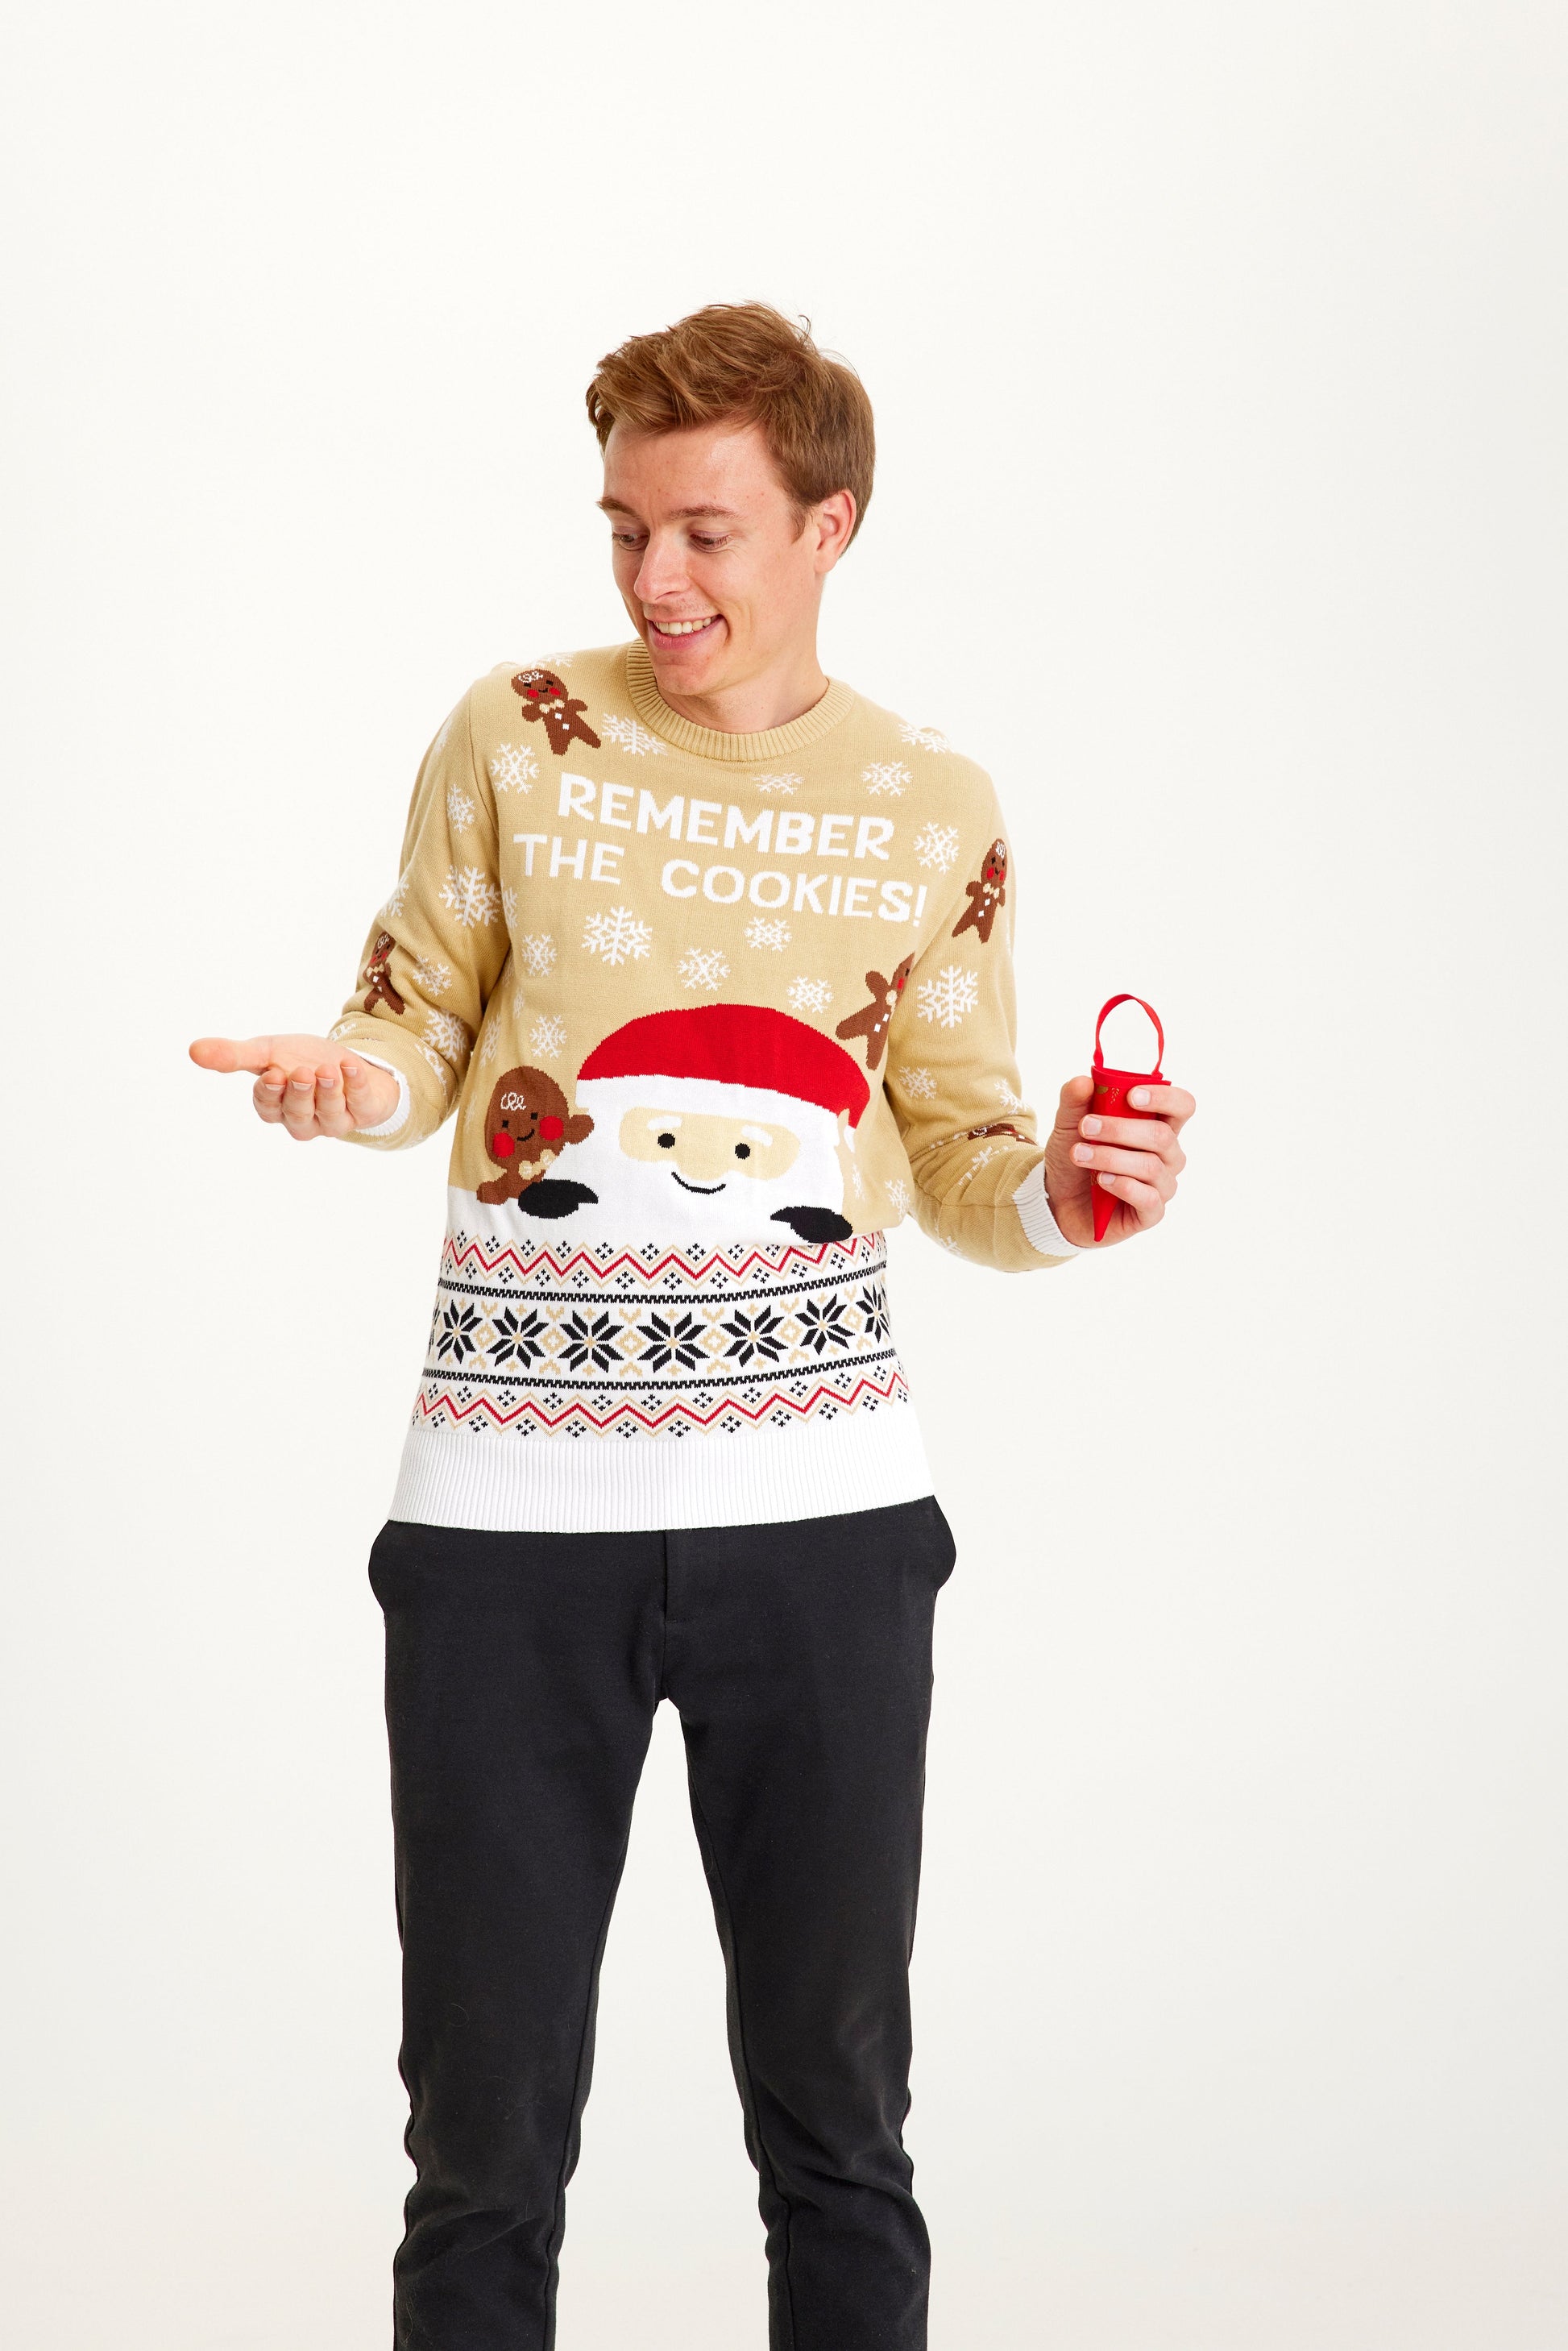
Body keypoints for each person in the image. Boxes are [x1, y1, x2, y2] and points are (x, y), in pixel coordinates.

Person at [191, 301, 1196, 2350]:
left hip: (822, 1527)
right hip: (502, 1529)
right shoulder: (513, 734)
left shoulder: (929, 801)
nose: (655, 577)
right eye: (625, 526)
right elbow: (413, 1026)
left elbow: (961, 1149)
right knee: (482, 2145)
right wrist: (349, 1084)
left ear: (831, 525)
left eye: (707, 532)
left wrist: (1079, 1189)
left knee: (838, 2128)